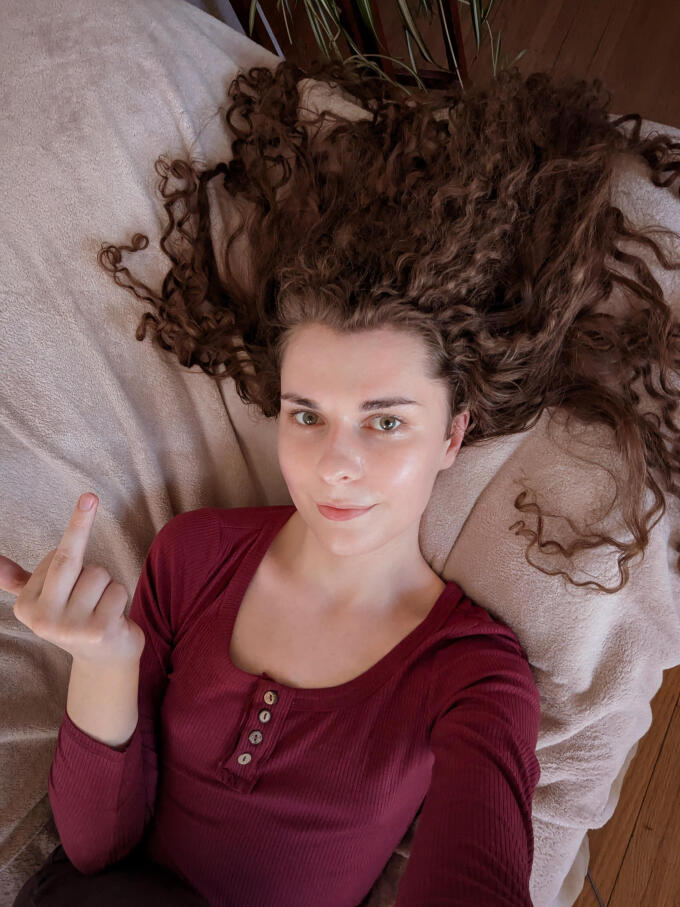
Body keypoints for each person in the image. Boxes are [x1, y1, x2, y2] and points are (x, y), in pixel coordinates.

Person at [5, 51, 680, 906]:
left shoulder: (474, 673)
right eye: (306, 414)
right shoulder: (192, 556)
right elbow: (96, 851)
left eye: (386, 421)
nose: (335, 463)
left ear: (453, 436)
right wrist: (105, 660)